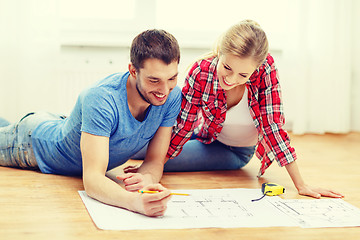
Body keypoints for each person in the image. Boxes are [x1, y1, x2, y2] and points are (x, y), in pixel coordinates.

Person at [132, 20, 343, 199]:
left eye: (243, 75)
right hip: (203, 132)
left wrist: (301, 185)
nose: (231, 80)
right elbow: (184, 125)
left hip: (233, 151)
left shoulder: (266, 71)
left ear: (256, 69)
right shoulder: (202, 71)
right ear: (219, 53)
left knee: (150, 155)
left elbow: (273, 127)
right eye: (227, 68)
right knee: (139, 147)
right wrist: (152, 164)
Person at [0, 29, 182, 217]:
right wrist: (134, 202)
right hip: (30, 143)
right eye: (154, 80)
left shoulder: (172, 96)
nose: (164, 90)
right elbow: (93, 179)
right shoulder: (101, 98)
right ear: (133, 71)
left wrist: (147, 179)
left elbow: (155, 160)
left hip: (58, 124)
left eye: (172, 78)